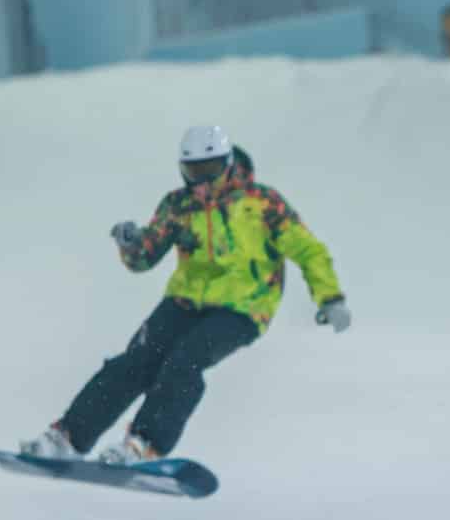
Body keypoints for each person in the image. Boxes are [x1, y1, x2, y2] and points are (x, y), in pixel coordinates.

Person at [22, 126, 349, 465]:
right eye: (194, 172)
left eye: (209, 170)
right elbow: (146, 257)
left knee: (184, 361)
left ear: (227, 163)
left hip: (244, 307)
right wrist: (132, 244)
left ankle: (144, 444)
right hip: (184, 301)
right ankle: (68, 437)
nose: (202, 181)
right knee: (136, 360)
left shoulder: (262, 203)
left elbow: (309, 250)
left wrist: (330, 298)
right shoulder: (179, 205)